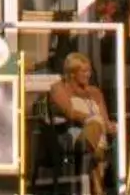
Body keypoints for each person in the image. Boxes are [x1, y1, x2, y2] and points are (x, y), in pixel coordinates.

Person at [46, 51, 113, 187]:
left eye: (89, 71)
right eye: (84, 71)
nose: (88, 74)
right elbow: (69, 112)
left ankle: (93, 150)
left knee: (104, 128)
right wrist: (90, 118)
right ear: (72, 73)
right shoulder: (59, 88)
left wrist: (111, 126)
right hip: (71, 134)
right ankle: (99, 192)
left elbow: (105, 118)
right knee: (96, 125)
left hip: (97, 134)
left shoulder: (95, 92)